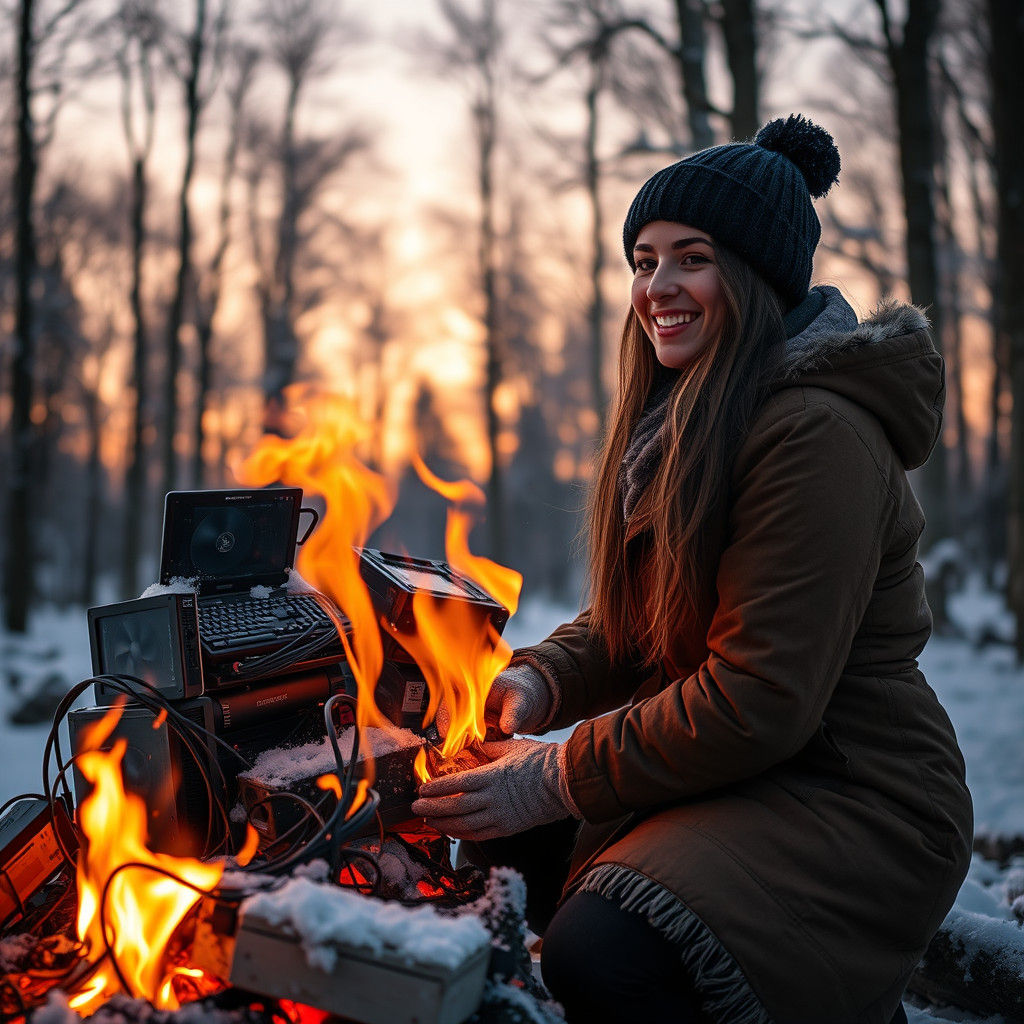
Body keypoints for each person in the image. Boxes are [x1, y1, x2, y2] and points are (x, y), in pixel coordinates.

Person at [411, 114, 973, 1024]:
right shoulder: (696, 419)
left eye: (692, 258)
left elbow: (758, 701)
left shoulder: (814, 436)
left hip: (853, 794)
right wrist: (538, 683)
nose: (658, 287)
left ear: (754, 277)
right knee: (486, 851)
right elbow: (638, 620)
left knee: (603, 951)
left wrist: (550, 777)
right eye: (643, 260)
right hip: (745, 772)